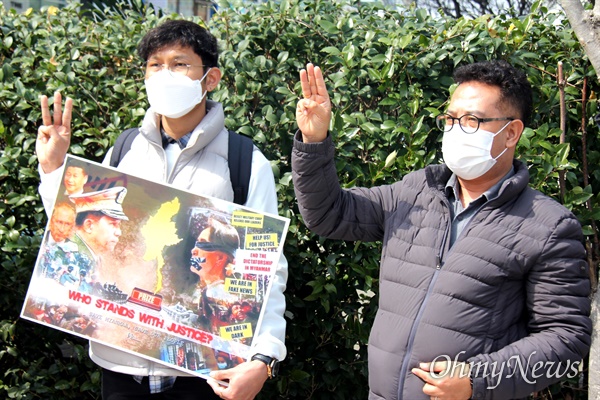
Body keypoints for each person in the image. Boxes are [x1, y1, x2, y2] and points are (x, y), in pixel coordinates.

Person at [292, 60, 592, 400]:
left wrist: (479, 380)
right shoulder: (416, 192)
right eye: (450, 119)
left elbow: (566, 338)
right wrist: (314, 142)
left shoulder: (547, 225)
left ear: (511, 133)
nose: (455, 129)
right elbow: (330, 213)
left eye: (472, 121)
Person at [35, 19, 287, 400]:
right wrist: (53, 171)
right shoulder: (124, 150)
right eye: (155, 64)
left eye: (180, 63)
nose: (165, 73)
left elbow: (264, 266)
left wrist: (263, 357)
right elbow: (76, 227)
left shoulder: (245, 161)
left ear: (211, 77)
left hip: (202, 374)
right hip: (121, 364)